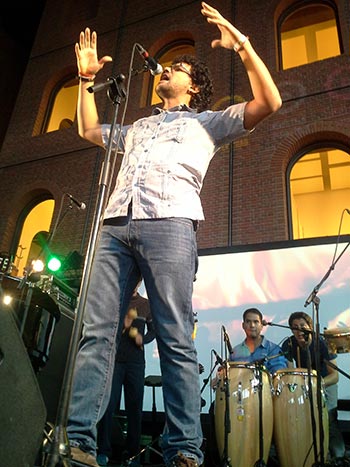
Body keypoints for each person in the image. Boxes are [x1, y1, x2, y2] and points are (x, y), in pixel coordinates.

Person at [67, 2, 282, 466]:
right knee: (96, 332)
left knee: (175, 337)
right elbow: (87, 128)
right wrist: (85, 82)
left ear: (195, 87)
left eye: (179, 67)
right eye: (169, 65)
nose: (167, 68)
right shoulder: (138, 126)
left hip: (171, 225)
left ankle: (184, 447)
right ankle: (79, 441)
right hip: (115, 225)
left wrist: (242, 44)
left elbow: (270, 103)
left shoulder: (207, 123)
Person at [96, 281, 155, 467]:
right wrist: (124, 326)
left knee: (134, 409)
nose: (134, 284)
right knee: (108, 405)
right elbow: (105, 330)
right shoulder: (116, 301)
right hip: (114, 361)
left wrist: (142, 339)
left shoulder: (146, 305)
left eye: (137, 281)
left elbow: (154, 331)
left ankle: (132, 454)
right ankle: (103, 451)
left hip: (136, 363)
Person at [281, 311, 347, 464]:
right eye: (295, 327)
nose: (299, 330)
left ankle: (339, 456)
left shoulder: (322, 342)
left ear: (310, 327)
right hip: (304, 385)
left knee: (329, 420)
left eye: (302, 326)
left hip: (325, 383)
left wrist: (317, 384)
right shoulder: (289, 344)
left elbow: (334, 376)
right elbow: (292, 370)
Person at [230, 307, 288, 374]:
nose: (252, 325)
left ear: (261, 326)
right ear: (243, 325)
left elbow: (279, 375)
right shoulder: (235, 352)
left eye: (256, 322)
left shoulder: (274, 349)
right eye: (248, 322)